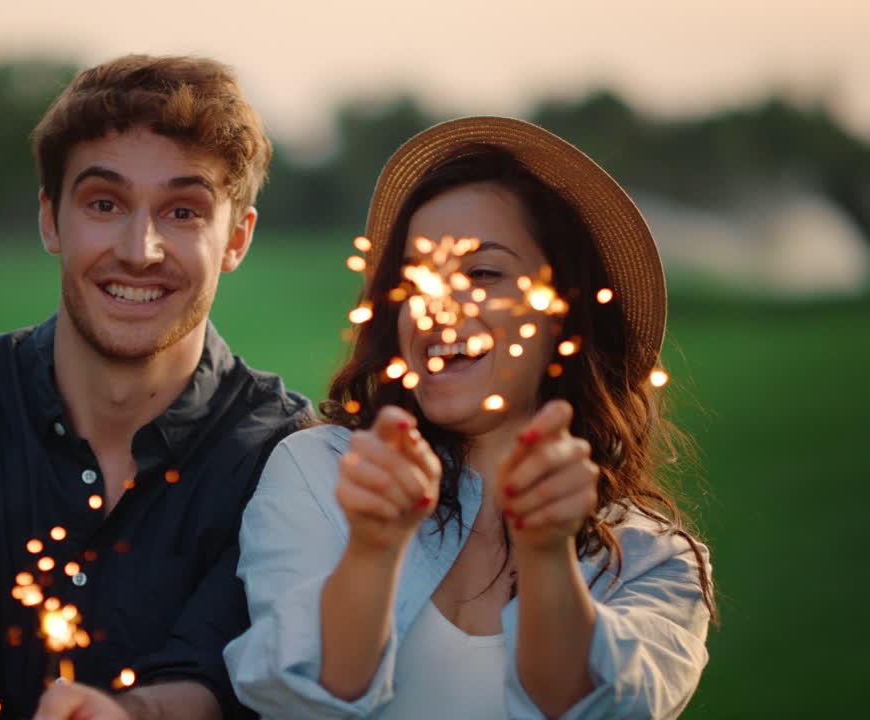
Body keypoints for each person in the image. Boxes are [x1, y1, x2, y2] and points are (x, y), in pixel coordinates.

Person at [0, 54, 310, 720]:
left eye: (183, 211)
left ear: (236, 238)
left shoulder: (283, 456)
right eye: (105, 203)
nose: (139, 248)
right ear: (50, 220)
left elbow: (216, 678)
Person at [224, 117, 716, 719]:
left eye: (483, 273)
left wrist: (546, 553)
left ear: (562, 313)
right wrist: (373, 549)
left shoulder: (651, 559)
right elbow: (300, 700)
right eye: (416, 278)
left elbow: (597, 709)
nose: (438, 307)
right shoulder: (321, 472)